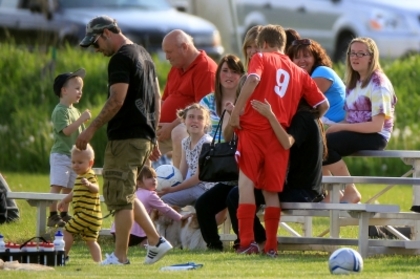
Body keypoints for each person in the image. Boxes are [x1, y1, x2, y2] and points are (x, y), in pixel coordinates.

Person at [77, 15, 172, 265]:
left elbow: (117, 99)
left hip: (126, 138)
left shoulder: (121, 57)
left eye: (96, 43)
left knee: (119, 196)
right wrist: (151, 135)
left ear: (107, 33)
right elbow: (157, 98)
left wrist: (90, 130)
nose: (96, 50)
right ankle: (156, 241)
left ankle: (120, 256)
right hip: (141, 137)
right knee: (127, 195)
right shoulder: (144, 55)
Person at [229, 24, 329, 256]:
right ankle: (271, 246)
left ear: (263, 44)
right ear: (283, 45)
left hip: (254, 129)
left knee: (245, 185)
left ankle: (247, 243)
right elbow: (323, 105)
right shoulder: (299, 72)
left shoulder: (261, 57)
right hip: (278, 134)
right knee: (271, 190)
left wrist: (237, 111)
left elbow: (252, 80)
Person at [226, 99, 327, 251]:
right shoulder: (308, 116)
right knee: (242, 192)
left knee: (236, 195)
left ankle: (259, 241)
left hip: (302, 192)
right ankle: (259, 241)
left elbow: (286, 143)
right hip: (303, 189)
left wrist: (270, 116)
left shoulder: (303, 118)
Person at [322, 37, 397, 203]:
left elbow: (377, 126)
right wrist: (333, 127)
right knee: (317, 141)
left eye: (361, 54)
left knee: (326, 143)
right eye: (352, 53)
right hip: (359, 131)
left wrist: (339, 129)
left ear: (371, 57)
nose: (355, 57)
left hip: (375, 136)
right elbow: (350, 120)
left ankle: (350, 191)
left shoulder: (379, 83)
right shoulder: (353, 82)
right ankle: (332, 193)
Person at [195, 54, 245, 251]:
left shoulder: (247, 100)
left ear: (242, 76)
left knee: (234, 198)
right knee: (203, 205)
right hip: (220, 168)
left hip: (243, 168)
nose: (229, 75)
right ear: (218, 74)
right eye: (225, 70)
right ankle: (214, 245)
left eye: (235, 71)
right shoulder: (208, 101)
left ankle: (243, 242)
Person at [157, 29, 218, 169]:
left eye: (169, 52)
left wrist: (171, 126)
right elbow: (164, 100)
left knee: (178, 133)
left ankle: (179, 183)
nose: (166, 57)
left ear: (184, 47)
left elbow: (202, 111)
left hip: (188, 127)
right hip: (165, 128)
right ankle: (144, 188)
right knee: (137, 138)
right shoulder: (176, 68)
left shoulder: (205, 69)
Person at [48, 68, 91, 227]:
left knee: (69, 187)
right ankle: (52, 215)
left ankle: (64, 213)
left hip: (73, 157)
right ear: (64, 90)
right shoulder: (60, 111)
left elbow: (78, 133)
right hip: (60, 155)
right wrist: (81, 119)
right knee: (58, 185)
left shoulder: (75, 110)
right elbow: (66, 131)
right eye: (77, 88)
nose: (80, 92)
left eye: (81, 89)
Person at [110, 165, 190, 247]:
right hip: (134, 234)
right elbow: (165, 209)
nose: (154, 179)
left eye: (155, 177)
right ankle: (145, 244)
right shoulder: (150, 195)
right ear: (139, 183)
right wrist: (180, 217)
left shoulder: (134, 193)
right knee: (156, 240)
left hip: (117, 232)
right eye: (149, 177)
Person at [160, 103, 214, 207]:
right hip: (193, 186)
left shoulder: (206, 143)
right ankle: (179, 220)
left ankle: (180, 221)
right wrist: (169, 185)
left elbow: (199, 177)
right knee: (160, 197)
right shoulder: (185, 142)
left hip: (206, 188)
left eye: (200, 118)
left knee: (165, 200)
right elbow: (182, 173)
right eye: (191, 117)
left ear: (206, 123)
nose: (195, 120)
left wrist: (174, 190)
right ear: (184, 120)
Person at [57, 144, 102, 262]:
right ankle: (99, 263)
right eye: (73, 162)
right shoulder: (79, 177)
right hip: (93, 217)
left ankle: (63, 256)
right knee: (91, 241)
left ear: (90, 163)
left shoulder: (89, 175)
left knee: (67, 230)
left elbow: (97, 188)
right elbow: (74, 192)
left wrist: (88, 184)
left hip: (86, 214)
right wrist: (64, 200)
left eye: (80, 162)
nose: (76, 165)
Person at [287, 39, 346, 124]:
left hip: (336, 125)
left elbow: (300, 103)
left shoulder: (321, 72)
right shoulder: (303, 76)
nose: (302, 60)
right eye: (297, 57)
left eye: (306, 56)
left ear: (315, 57)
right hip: (326, 122)